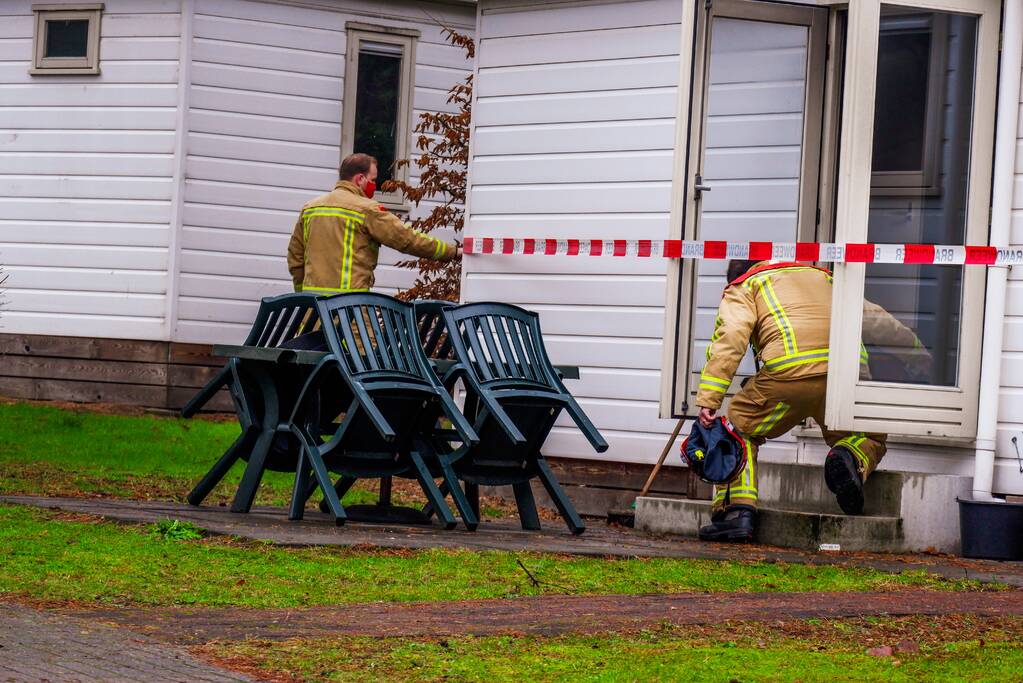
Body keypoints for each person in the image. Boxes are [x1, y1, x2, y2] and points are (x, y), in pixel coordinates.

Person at [695, 259, 929, 542]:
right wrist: (921, 358)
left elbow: (730, 339)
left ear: (736, 275)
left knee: (737, 429)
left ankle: (737, 514)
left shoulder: (746, 285)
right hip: (844, 377)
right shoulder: (824, 278)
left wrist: (710, 398)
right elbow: (878, 320)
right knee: (867, 435)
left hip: (789, 378)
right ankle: (849, 457)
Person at [287, 152, 460, 297]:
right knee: (361, 340)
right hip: (350, 310)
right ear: (360, 178)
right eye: (373, 180)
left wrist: (303, 294)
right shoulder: (366, 210)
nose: (374, 185)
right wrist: (452, 252)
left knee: (312, 340)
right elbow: (408, 240)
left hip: (313, 310)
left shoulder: (310, 208)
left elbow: (295, 258)